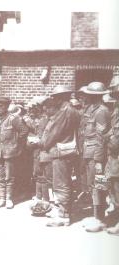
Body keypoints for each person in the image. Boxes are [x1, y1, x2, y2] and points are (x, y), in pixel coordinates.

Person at [41, 85, 80, 227]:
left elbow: (55, 133)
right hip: (66, 151)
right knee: (65, 182)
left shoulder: (65, 111)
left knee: (61, 183)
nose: (53, 99)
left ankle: (64, 215)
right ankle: (64, 211)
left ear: (61, 97)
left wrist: (43, 144)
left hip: (61, 152)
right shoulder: (72, 110)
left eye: (55, 97)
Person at [79, 82, 111, 232]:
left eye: (89, 94)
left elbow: (101, 137)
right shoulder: (91, 109)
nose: (86, 97)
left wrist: (98, 160)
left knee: (98, 185)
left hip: (95, 153)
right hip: (87, 151)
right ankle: (95, 215)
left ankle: (100, 219)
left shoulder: (102, 111)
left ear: (95, 96)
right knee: (92, 184)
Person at [0, 97, 28, 209]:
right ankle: (1, 198)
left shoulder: (13, 118)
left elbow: (24, 131)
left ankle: (9, 199)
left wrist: (17, 146)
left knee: (9, 176)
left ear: (7, 106)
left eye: (1, 106)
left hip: (10, 152)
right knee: (0, 176)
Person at [105, 76, 119, 235]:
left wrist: (108, 140)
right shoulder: (116, 107)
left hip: (116, 153)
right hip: (114, 156)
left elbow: (115, 138)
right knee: (113, 187)